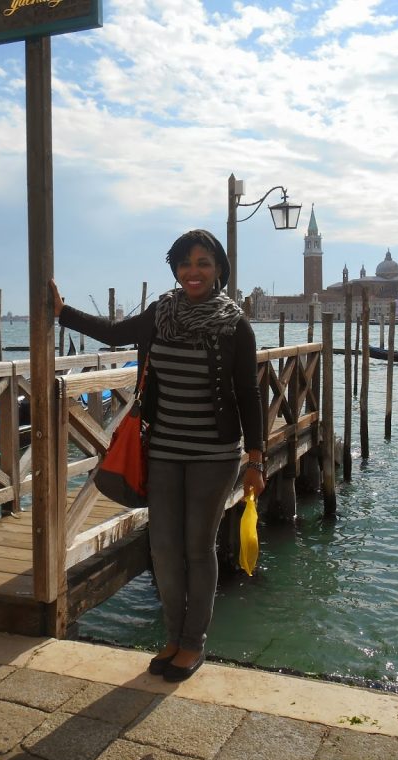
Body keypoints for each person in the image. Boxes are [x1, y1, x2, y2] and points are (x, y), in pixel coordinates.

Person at [50, 229, 265, 682]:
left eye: (204, 262)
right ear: (175, 269)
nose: (194, 271)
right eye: (186, 263)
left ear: (219, 270)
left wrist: (256, 459)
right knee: (163, 548)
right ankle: (172, 637)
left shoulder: (234, 325)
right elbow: (112, 333)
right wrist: (61, 312)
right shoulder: (160, 314)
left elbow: (248, 393)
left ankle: (193, 644)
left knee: (197, 548)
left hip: (214, 455)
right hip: (162, 450)